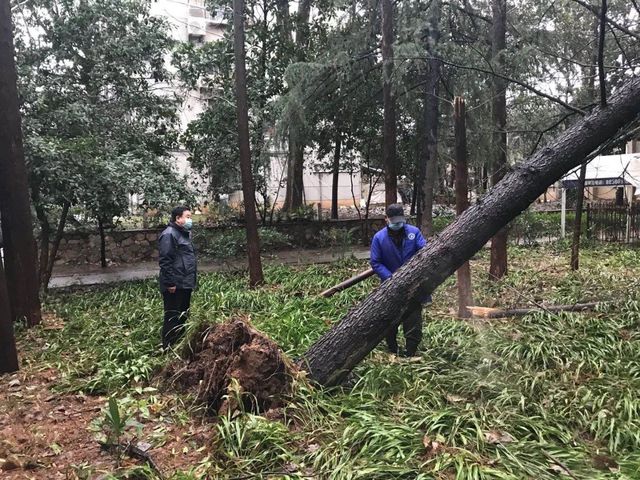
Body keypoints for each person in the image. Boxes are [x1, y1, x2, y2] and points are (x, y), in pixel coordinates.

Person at [370, 203, 429, 357]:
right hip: (390, 287)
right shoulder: (379, 238)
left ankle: (411, 351)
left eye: (400, 221)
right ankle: (392, 349)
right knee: (390, 320)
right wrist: (391, 278)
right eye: (394, 221)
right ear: (386, 219)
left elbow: (424, 252)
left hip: (413, 286)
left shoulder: (414, 233)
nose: (397, 225)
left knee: (413, 320)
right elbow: (375, 262)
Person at [158, 206, 197, 349]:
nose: (190, 220)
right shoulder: (169, 234)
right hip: (175, 284)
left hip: (185, 282)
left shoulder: (183, 234)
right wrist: (170, 283)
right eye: (187, 217)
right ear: (178, 218)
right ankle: (168, 347)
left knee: (183, 315)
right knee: (172, 316)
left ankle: (179, 345)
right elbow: (165, 260)